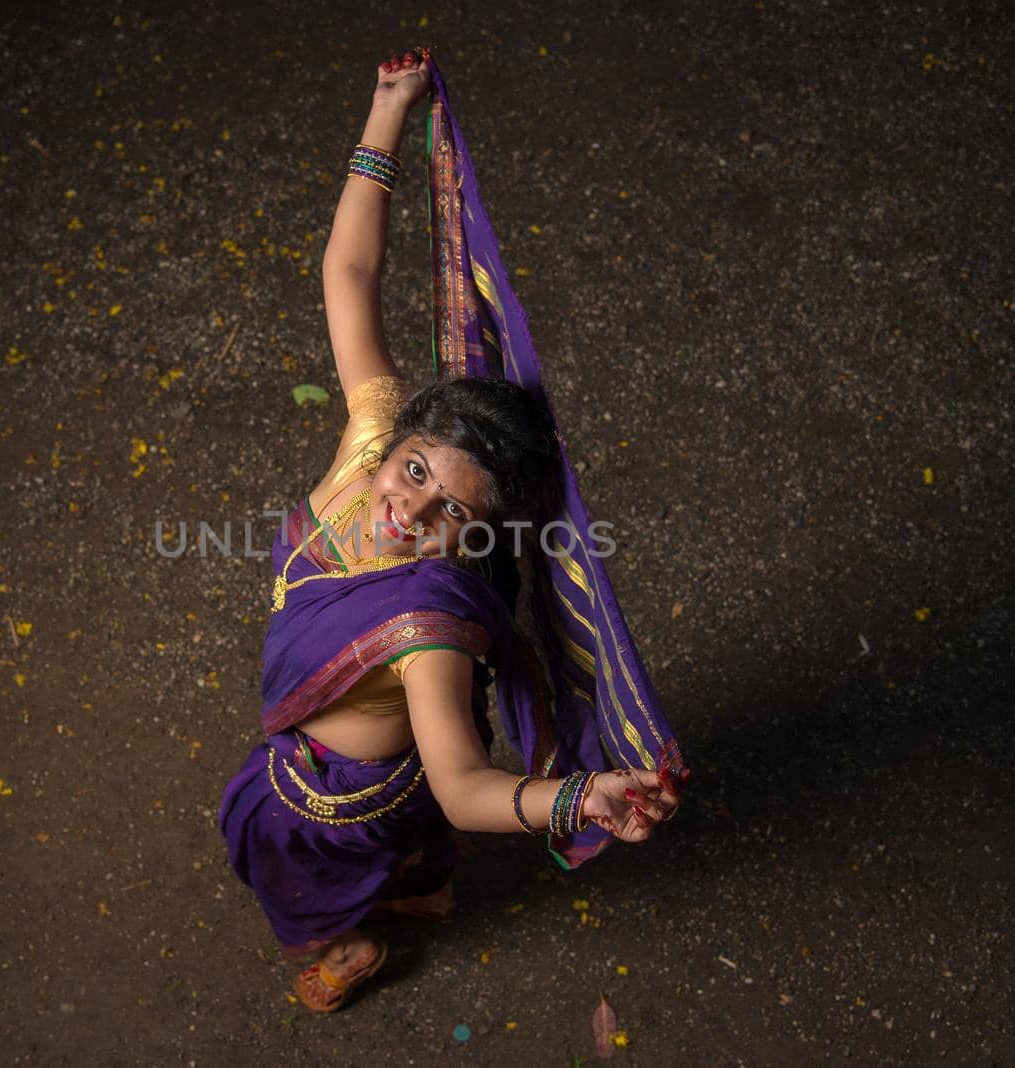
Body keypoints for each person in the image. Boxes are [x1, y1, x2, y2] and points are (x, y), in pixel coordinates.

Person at [218, 49, 683, 1013]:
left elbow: (468, 784)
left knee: (291, 864)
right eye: (417, 471)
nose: (410, 508)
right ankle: (424, 893)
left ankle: (348, 949)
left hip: (334, 803)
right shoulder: (371, 435)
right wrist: (387, 111)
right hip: (371, 775)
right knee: (417, 847)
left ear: (474, 537)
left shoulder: (429, 631)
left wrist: (578, 798)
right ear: (402, 436)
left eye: (452, 516)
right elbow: (349, 271)